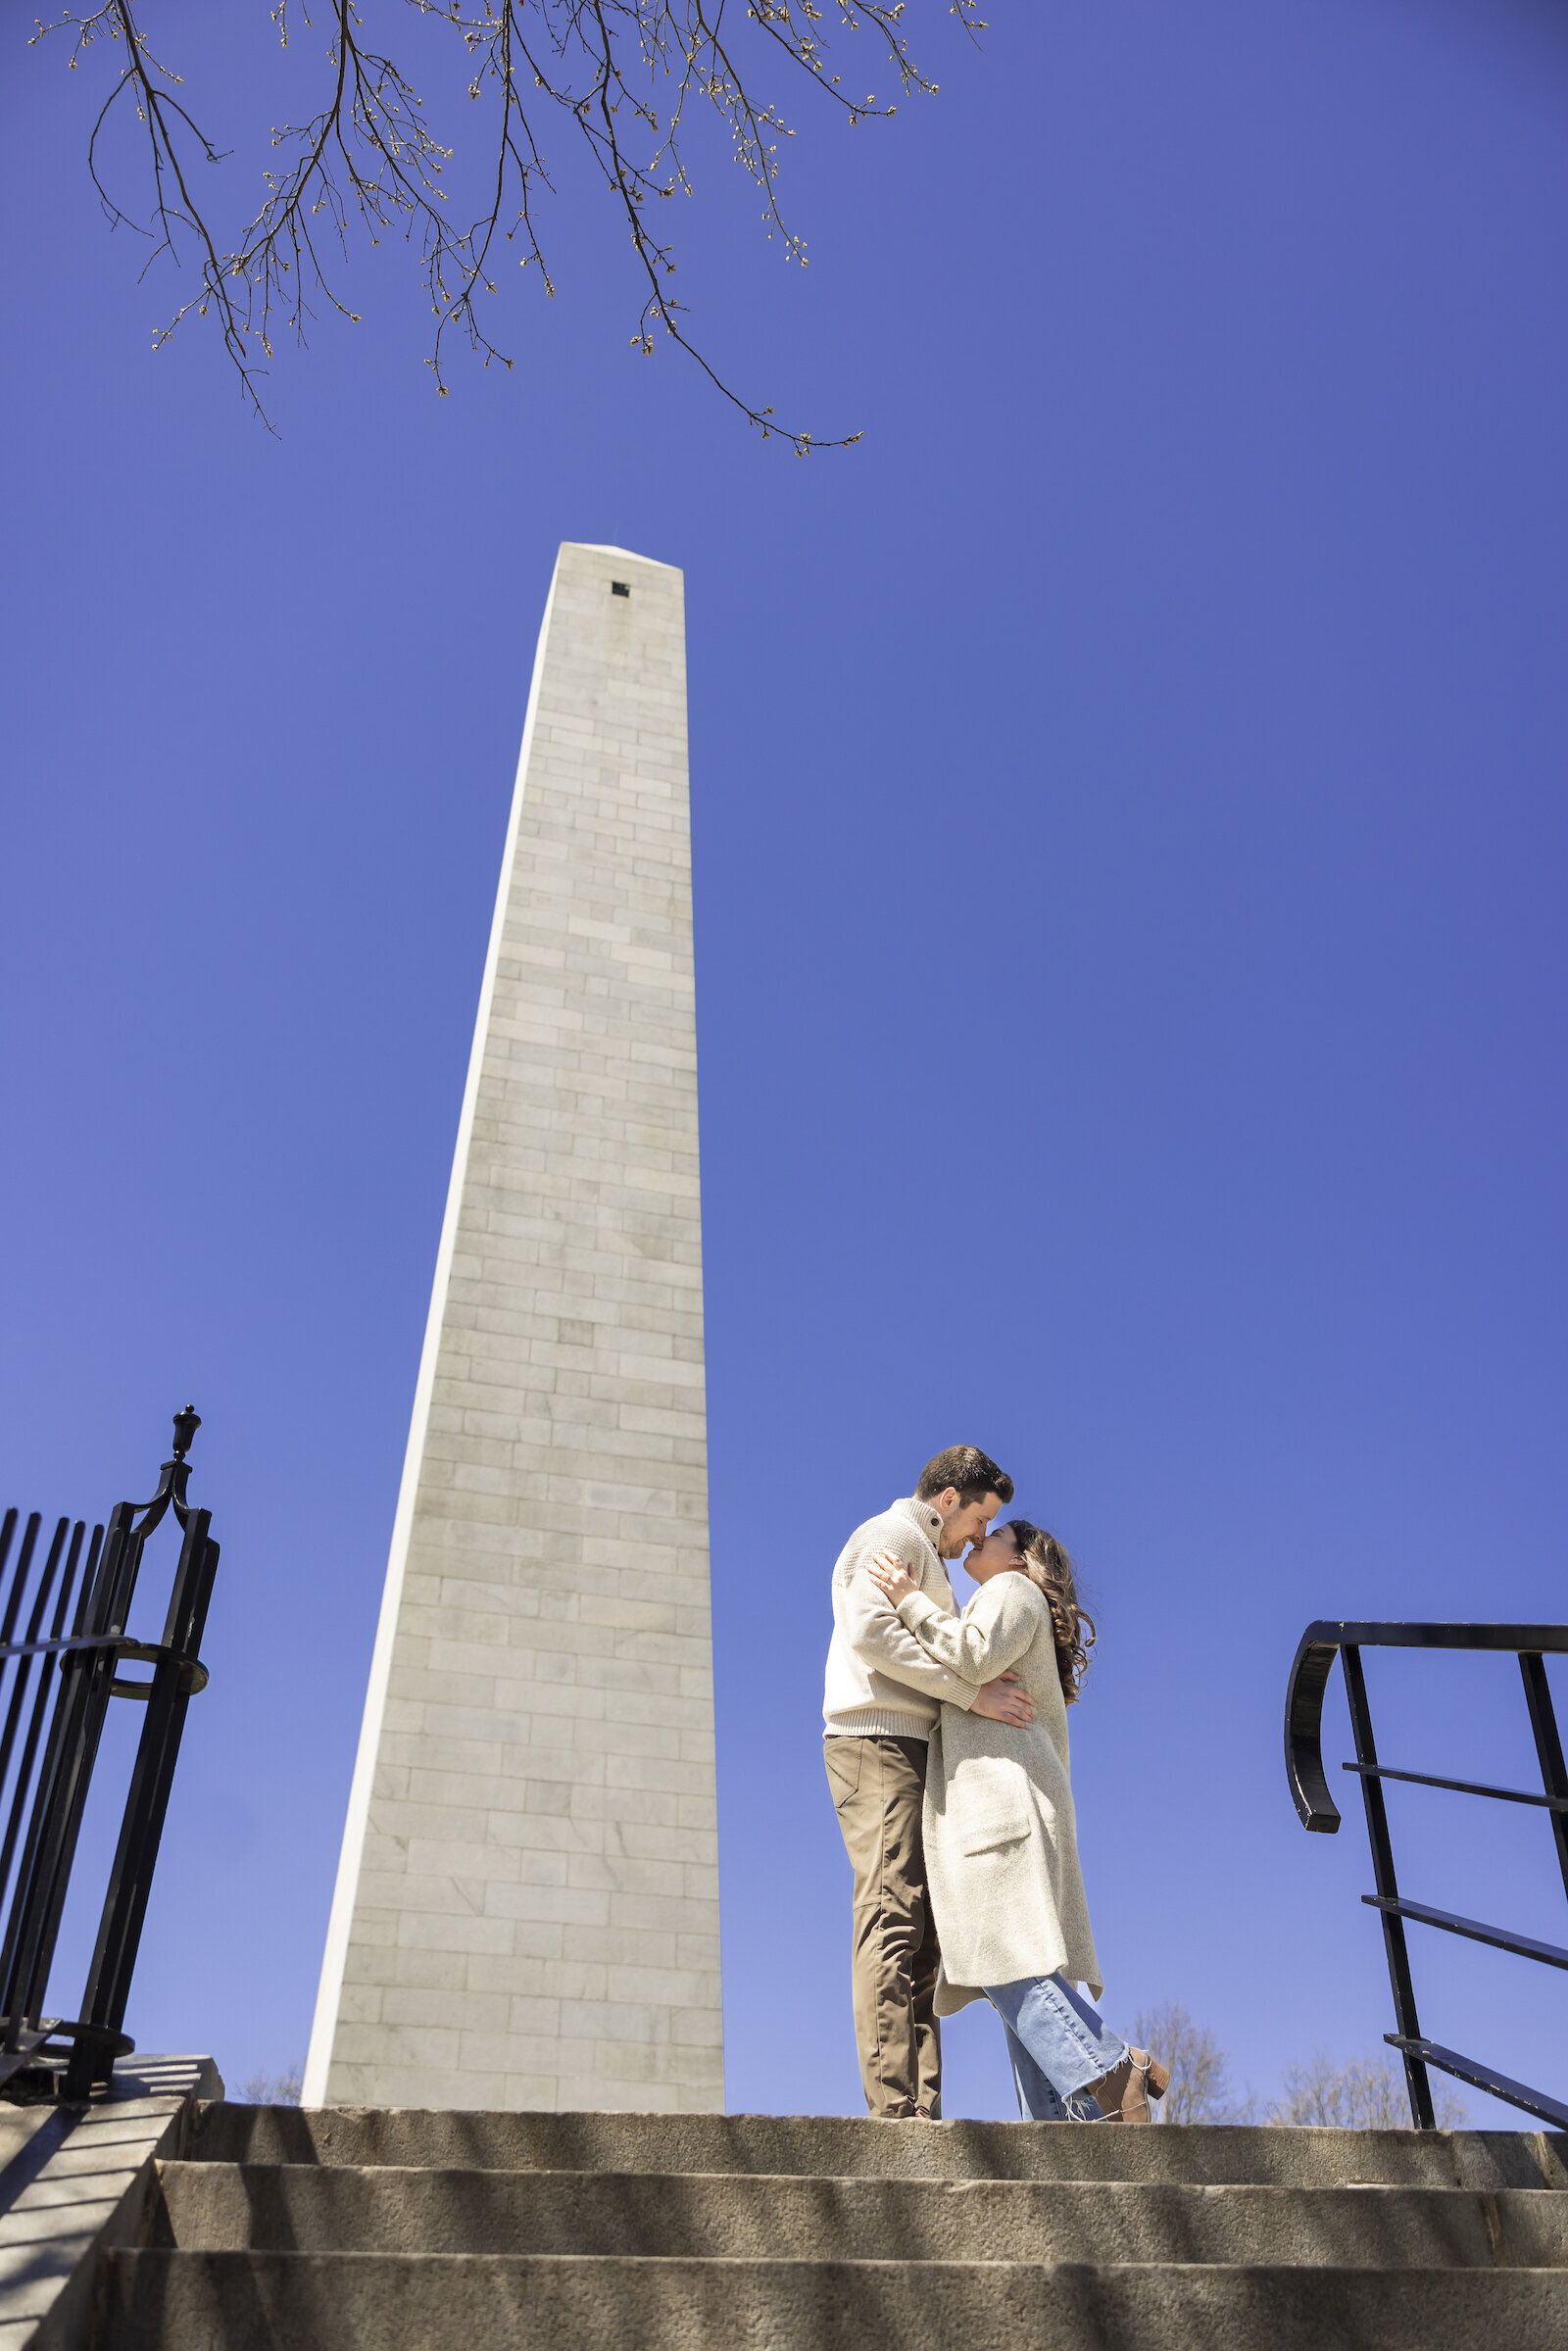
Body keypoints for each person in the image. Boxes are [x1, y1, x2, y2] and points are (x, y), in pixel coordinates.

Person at [865, 1519, 1170, 2123]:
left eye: (994, 1533)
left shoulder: (1011, 1592)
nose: (979, 1539)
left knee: (1003, 1961)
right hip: (1014, 1808)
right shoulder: (1011, 1600)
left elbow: (971, 1655)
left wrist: (908, 1600)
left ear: (1024, 1558)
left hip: (998, 1810)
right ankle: (1066, 2136)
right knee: (1018, 1973)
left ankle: (1111, 2070)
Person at [822, 1446, 1034, 2121]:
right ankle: (894, 2108)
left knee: (922, 1933)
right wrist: (970, 1692)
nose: (979, 1535)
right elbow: (871, 1632)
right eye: (981, 1519)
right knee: (891, 1915)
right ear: (949, 1498)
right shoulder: (891, 1537)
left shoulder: (923, 1553)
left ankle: (920, 2105)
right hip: (877, 1743)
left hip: (911, 1747)